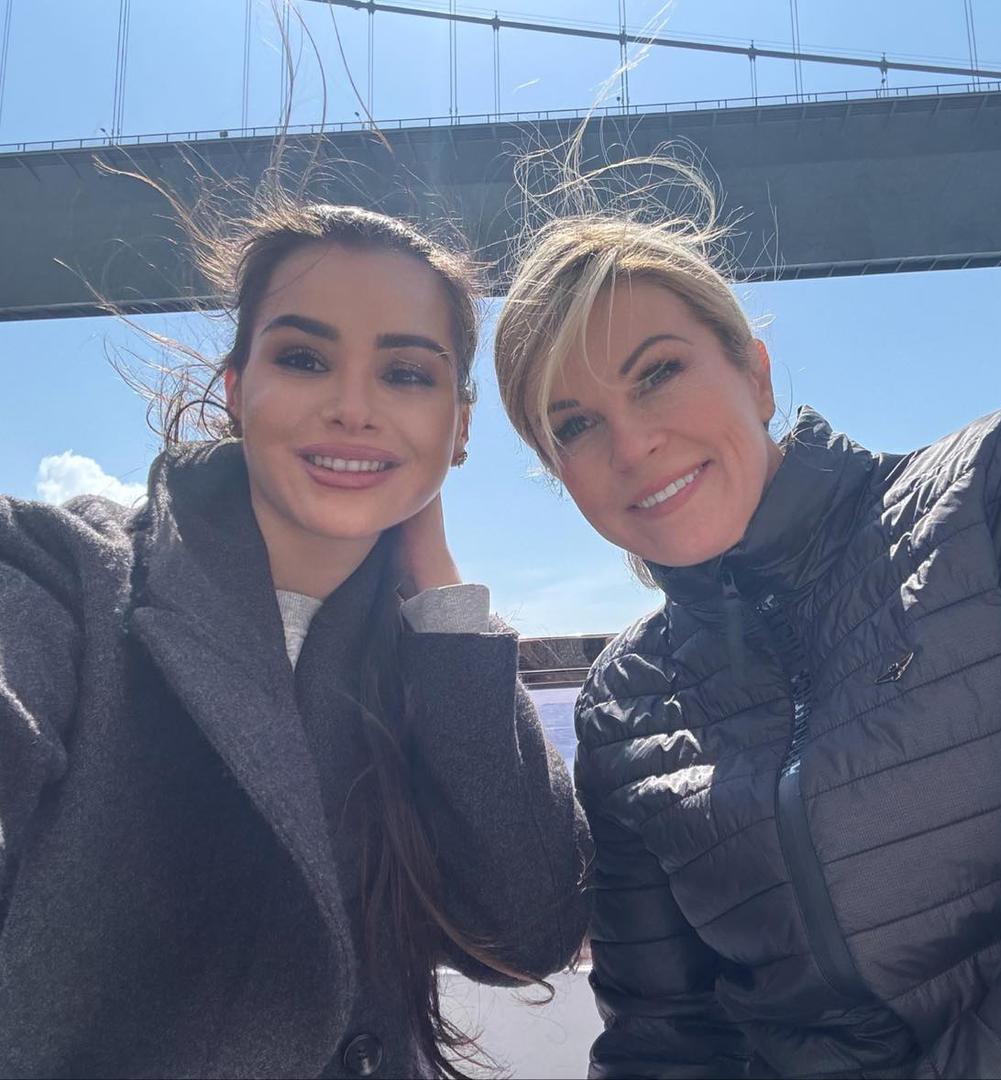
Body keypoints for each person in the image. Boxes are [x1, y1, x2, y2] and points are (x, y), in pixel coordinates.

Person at [492, 194, 1001, 1076]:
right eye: (574, 424)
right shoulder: (624, 702)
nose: (630, 443)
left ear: (756, 376)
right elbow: (663, 1036)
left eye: (657, 372)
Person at [0, 198, 591, 1078]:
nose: (353, 408)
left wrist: (439, 593)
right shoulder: (63, 575)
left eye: (406, 374)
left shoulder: (431, 655)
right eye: (305, 358)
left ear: (461, 426)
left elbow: (529, 931)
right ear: (237, 390)